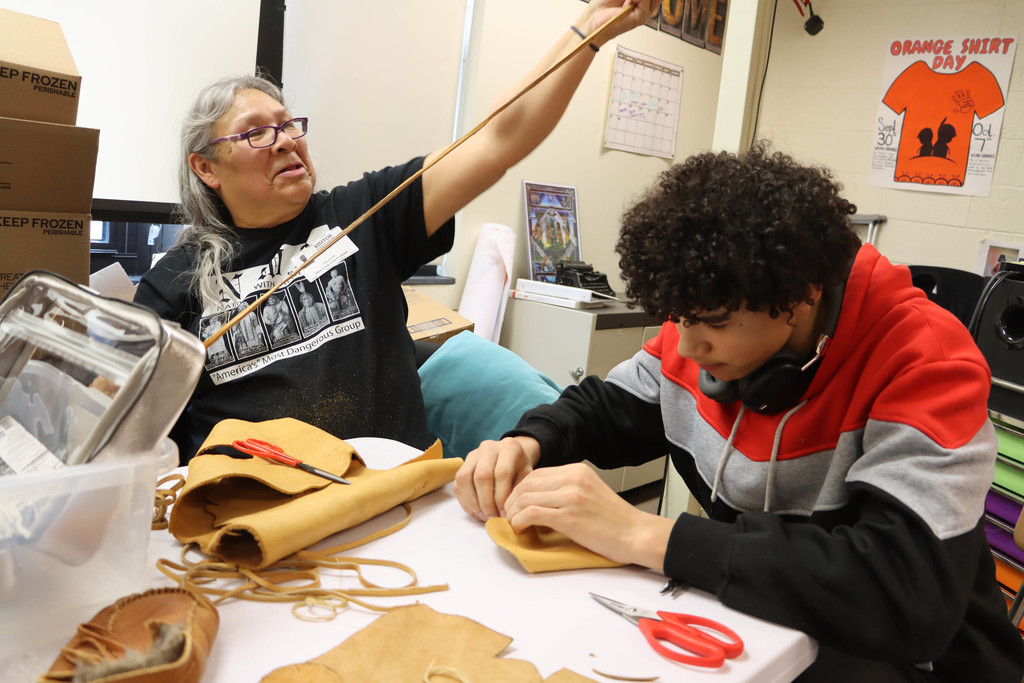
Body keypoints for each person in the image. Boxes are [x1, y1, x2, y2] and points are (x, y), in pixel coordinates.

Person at [454, 144, 1024, 681]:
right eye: (678, 318)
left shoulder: (926, 361)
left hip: (921, 664)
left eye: (715, 323)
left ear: (801, 296)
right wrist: (529, 441)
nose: (687, 345)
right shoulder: (704, 321)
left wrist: (644, 535)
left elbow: (905, 595)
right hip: (779, 628)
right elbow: (610, 408)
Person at [133, 0, 654, 460]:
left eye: (289, 124)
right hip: (252, 510)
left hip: (388, 499)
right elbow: (141, 434)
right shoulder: (174, 282)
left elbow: (498, 138)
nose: (286, 140)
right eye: (256, 133)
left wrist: (591, 26)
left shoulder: (364, 214)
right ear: (206, 167)